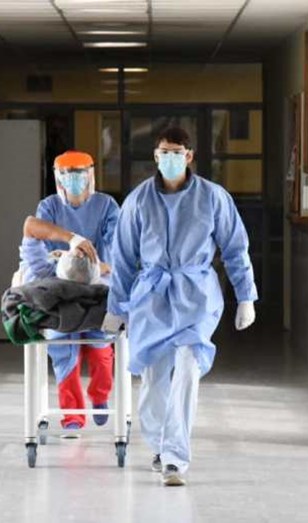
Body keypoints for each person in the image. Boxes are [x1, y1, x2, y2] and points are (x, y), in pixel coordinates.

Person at [102, 127, 257, 486]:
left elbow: (235, 248)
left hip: (196, 296)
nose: (169, 158)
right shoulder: (138, 201)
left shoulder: (213, 198)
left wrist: (245, 296)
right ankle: (159, 446)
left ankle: (174, 458)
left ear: (189, 156)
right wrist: (117, 307)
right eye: (163, 153)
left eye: (176, 152)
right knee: (153, 379)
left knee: (187, 367)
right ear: (155, 157)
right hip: (151, 298)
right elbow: (123, 258)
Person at [19, 150, 120, 434]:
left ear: (91, 175)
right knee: (63, 350)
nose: (74, 180)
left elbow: (116, 246)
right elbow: (36, 234)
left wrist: (98, 265)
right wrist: (67, 251)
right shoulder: (49, 207)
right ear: (58, 178)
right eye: (68, 175)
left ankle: (100, 396)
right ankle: (73, 415)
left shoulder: (106, 206)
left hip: (97, 281)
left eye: (80, 174)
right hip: (60, 283)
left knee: (102, 346)